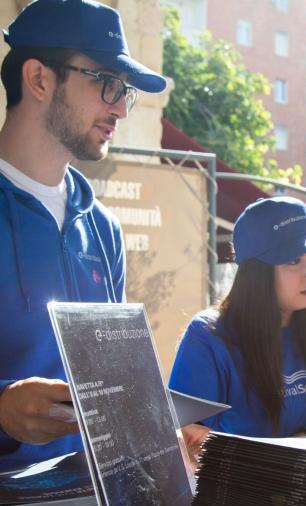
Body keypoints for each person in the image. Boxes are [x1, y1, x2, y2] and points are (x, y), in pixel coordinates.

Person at [0, 0, 167, 469]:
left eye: (125, 92)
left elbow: (112, 374)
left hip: (91, 504)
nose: (120, 108)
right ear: (38, 79)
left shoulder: (103, 229)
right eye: (107, 84)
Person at [170, 197, 306, 456]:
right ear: (256, 272)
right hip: (244, 493)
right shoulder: (209, 337)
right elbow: (185, 441)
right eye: (294, 260)